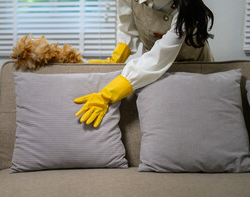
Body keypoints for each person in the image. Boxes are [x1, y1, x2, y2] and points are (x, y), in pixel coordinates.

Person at [75, 0, 214, 128]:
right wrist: (115, 59)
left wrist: (107, 95)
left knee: (194, 120)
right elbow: (127, 28)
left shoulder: (187, 10)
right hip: (151, 67)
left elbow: (158, 58)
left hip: (193, 67)